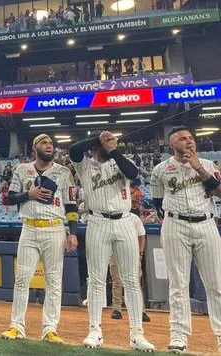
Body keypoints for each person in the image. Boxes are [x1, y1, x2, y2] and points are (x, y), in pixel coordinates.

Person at [69, 132, 154, 351]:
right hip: (97, 221)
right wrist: (98, 139)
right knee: (96, 279)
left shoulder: (121, 163)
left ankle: (137, 334)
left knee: (132, 280)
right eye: (100, 146)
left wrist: (112, 149)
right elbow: (74, 150)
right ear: (95, 147)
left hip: (125, 220)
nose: (104, 148)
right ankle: (95, 330)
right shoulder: (85, 165)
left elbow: (133, 172)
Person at [0, 134, 78, 343]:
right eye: (44, 143)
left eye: (51, 143)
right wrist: (29, 194)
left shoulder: (63, 172)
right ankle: (16, 326)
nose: (49, 146)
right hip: (29, 227)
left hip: (54, 228)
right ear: (35, 148)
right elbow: (8, 198)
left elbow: (71, 204)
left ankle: (50, 329)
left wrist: (73, 233)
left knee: (53, 281)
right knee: (22, 278)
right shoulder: (21, 169)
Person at [151, 126, 221, 353]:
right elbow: (157, 202)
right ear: (172, 144)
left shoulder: (210, 165)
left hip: (206, 223)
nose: (189, 142)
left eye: (191, 138)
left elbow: (220, 191)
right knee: (178, 285)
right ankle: (179, 336)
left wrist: (198, 167)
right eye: (183, 139)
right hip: (176, 223)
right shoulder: (161, 169)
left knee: (217, 284)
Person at [109, 213, 150, 322]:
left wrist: (140, 253)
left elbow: (142, 236)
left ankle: (140, 310)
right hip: (115, 252)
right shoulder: (112, 217)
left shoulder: (134, 218)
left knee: (135, 282)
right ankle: (117, 309)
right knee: (117, 281)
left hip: (132, 253)